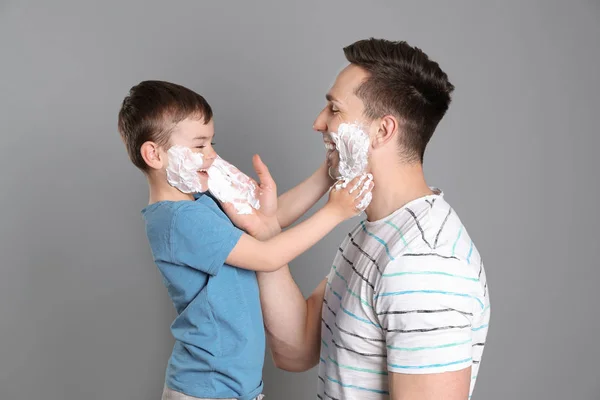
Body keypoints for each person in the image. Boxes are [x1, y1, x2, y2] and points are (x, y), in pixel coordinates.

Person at [225, 38, 490, 399]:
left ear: (382, 131)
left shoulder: (424, 261)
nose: (319, 122)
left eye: (334, 110)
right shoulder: (375, 231)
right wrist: (267, 232)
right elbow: (296, 350)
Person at [117, 80, 373, 400]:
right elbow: (267, 256)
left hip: (231, 387)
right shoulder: (179, 220)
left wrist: (327, 174)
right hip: (207, 389)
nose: (211, 156)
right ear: (153, 154)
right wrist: (335, 212)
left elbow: (269, 221)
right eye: (199, 146)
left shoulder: (200, 202)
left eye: (211, 143)